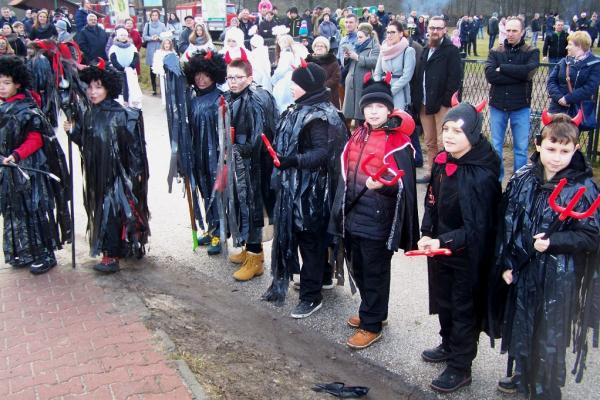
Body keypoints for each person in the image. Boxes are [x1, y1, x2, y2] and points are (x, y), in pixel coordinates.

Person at [489, 113, 599, 399]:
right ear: (538, 145)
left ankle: (545, 389)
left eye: (565, 150)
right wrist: (507, 264)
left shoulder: (583, 188)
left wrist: (555, 240)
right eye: (551, 148)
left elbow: (591, 235)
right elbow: (507, 224)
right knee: (522, 325)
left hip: (557, 276)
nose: (557, 157)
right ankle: (524, 374)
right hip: (523, 270)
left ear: (576, 149)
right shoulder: (524, 177)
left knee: (549, 335)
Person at [419, 100, 501, 393]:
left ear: (474, 135)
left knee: (464, 307)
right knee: (445, 301)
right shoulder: (443, 161)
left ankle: (460, 366)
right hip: (442, 248)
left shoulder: (481, 174)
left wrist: (444, 240)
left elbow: (478, 228)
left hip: (468, 255)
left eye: (458, 130)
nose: (449, 136)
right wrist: (427, 231)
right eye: (446, 129)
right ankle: (447, 343)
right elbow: (432, 201)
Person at [330, 76, 418, 349]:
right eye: (369, 106)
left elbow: (403, 184)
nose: (374, 111)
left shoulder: (399, 142)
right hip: (355, 214)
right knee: (359, 266)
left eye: (380, 106)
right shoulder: (358, 133)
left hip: (379, 219)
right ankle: (373, 309)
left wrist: (385, 185)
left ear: (389, 109)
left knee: (375, 270)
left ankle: (372, 324)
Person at [262, 61, 347, 310]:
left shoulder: (321, 116)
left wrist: (291, 161)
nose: (291, 88)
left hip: (313, 191)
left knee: (310, 238)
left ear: (308, 86)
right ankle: (320, 277)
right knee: (310, 238)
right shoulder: (302, 107)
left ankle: (311, 296)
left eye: (295, 84)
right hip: (297, 186)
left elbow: (322, 153)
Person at [63, 60, 149, 273]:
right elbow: (85, 143)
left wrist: (136, 173)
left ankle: (111, 256)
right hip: (96, 175)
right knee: (102, 211)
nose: (93, 92)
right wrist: (73, 132)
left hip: (118, 176)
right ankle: (120, 249)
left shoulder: (122, 115)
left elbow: (134, 148)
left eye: (98, 87)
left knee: (113, 211)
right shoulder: (89, 113)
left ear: (108, 88)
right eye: (90, 87)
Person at [0, 55, 70, 275]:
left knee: (35, 210)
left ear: (18, 83)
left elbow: (37, 139)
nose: (1, 87)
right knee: (14, 210)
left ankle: (45, 255)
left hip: (28, 168)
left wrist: (17, 155)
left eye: (6, 83)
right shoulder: (4, 107)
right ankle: (25, 251)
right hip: (9, 169)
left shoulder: (27, 108)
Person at [225, 58, 278, 281]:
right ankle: (250, 249)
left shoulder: (255, 98)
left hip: (256, 165)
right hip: (243, 163)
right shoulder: (234, 97)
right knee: (244, 204)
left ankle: (255, 259)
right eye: (230, 77)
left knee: (254, 206)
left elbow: (261, 135)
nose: (233, 82)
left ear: (249, 77)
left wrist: (239, 149)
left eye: (238, 77)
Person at [181, 50, 227, 255]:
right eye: (197, 75)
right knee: (205, 191)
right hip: (198, 155)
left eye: (206, 75)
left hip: (215, 157)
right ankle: (211, 228)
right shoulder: (191, 99)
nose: (201, 79)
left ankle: (220, 232)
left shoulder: (221, 99)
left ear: (214, 75)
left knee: (217, 193)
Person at [485, 17, 540, 180]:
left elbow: (529, 73)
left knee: (521, 148)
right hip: (498, 105)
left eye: (514, 30)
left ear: (522, 32)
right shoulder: (496, 51)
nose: (510, 34)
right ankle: (497, 179)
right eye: (508, 30)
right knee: (496, 146)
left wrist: (502, 68)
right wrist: (518, 75)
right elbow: (490, 76)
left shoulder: (532, 51)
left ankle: (519, 182)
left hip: (520, 106)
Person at [416, 16, 462, 183]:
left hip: (442, 104)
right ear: (428, 29)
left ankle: (446, 174)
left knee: (445, 141)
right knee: (429, 141)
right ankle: (432, 172)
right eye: (432, 28)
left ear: (444, 30)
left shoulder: (451, 50)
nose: (434, 31)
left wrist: (446, 101)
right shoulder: (426, 49)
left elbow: (455, 78)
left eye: (438, 28)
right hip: (425, 103)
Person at [547, 31, 600, 119]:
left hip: (576, 111)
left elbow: (590, 87)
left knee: (569, 133)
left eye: (570, 44)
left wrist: (567, 99)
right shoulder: (563, 61)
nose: (567, 47)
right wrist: (559, 98)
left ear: (579, 46)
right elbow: (551, 81)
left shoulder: (595, 64)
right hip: (556, 108)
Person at [342, 22, 380, 125]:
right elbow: (349, 65)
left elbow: (375, 62)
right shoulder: (356, 46)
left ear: (368, 36)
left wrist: (357, 57)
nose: (358, 39)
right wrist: (347, 58)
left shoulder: (375, 47)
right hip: (352, 84)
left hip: (364, 84)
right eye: (357, 37)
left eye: (360, 37)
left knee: (362, 114)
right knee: (351, 114)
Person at [373, 21, 416, 112]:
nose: (389, 35)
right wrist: (379, 87)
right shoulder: (383, 50)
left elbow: (407, 76)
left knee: (397, 121)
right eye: (388, 32)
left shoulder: (408, 51)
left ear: (401, 34)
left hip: (400, 92)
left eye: (393, 32)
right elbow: (377, 72)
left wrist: (390, 91)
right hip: (383, 90)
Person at [271, 34, 306, 114]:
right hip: (293, 80)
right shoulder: (293, 51)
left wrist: (273, 79)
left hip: (285, 81)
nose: (280, 44)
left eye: (282, 42)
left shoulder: (286, 53)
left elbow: (281, 70)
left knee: (283, 103)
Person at [108, 26, 140, 108]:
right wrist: (121, 68)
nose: (123, 37)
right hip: (120, 71)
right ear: (118, 36)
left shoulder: (132, 46)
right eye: (121, 35)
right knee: (123, 86)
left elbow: (136, 56)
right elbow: (113, 59)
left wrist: (131, 66)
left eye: (125, 35)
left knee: (132, 86)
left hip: (130, 70)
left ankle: (133, 101)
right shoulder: (114, 47)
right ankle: (124, 102)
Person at [306, 36, 341, 108]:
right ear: (313, 47)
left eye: (322, 46)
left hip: (329, 95)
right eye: (317, 46)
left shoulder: (332, 61)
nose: (319, 47)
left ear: (326, 48)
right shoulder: (307, 60)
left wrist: (323, 86)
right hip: (311, 94)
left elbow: (336, 77)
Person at [142, 9, 167, 96]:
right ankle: (154, 89)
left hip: (160, 47)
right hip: (151, 48)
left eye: (156, 15)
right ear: (151, 16)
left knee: (162, 67)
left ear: (158, 16)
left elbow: (166, 35)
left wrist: (159, 37)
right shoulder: (147, 25)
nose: (154, 17)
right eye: (153, 15)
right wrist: (151, 38)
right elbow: (144, 36)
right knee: (152, 68)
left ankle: (163, 87)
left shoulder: (162, 25)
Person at [151, 35, 176, 106]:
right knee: (164, 88)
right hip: (163, 74)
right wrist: (159, 71)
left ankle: (172, 102)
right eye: (165, 43)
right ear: (163, 44)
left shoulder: (173, 53)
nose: (167, 45)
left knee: (172, 88)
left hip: (171, 74)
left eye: (168, 43)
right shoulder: (159, 53)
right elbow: (156, 63)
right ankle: (165, 103)